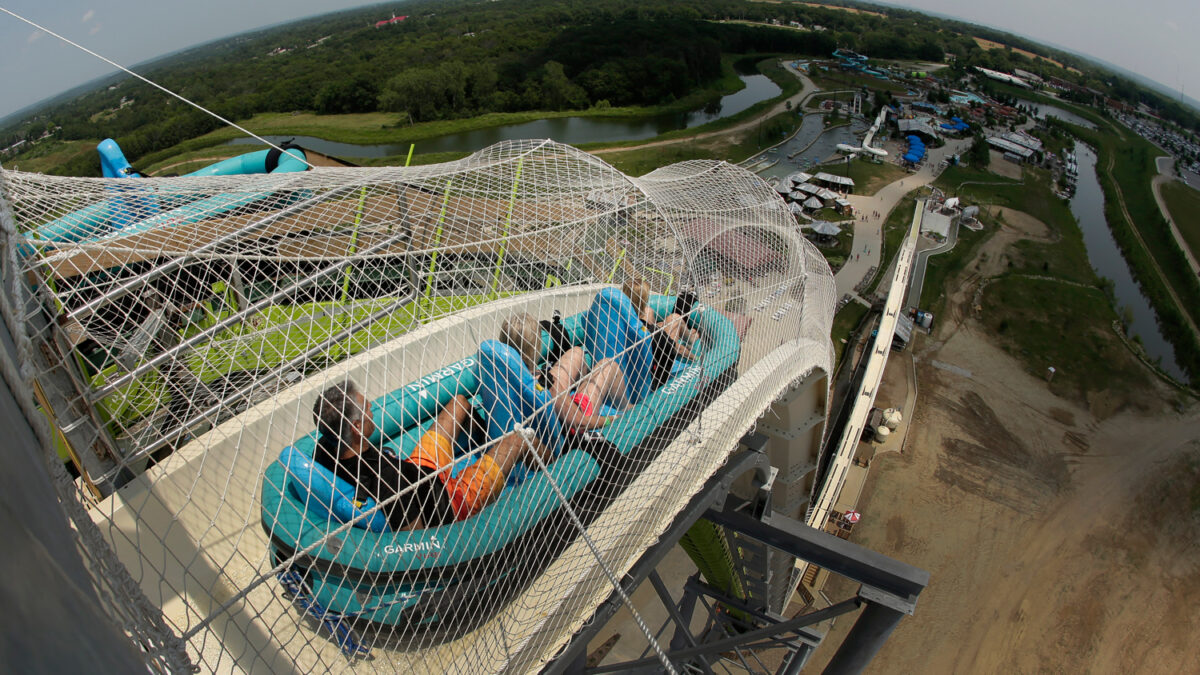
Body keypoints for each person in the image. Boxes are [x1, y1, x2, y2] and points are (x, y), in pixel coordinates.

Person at [312, 380, 546, 531]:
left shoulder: (326, 447)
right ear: (356, 427)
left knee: (459, 403)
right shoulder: (389, 481)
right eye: (367, 409)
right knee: (520, 438)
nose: (372, 406)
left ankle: (486, 445)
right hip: (450, 502)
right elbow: (417, 538)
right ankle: (558, 462)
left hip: (418, 472)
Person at [499, 313, 627, 431]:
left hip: (553, 415)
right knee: (608, 365)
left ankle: (577, 393)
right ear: (536, 345)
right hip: (574, 424)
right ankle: (627, 409)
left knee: (577, 352)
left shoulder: (501, 376)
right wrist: (612, 419)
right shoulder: (546, 384)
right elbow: (580, 423)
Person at [621, 279, 696, 389]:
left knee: (662, 315)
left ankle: (691, 337)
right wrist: (696, 359)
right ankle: (692, 340)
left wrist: (659, 326)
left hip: (639, 363)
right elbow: (678, 349)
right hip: (657, 375)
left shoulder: (620, 319)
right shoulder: (650, 332)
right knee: (676, 319)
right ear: (645, 299)